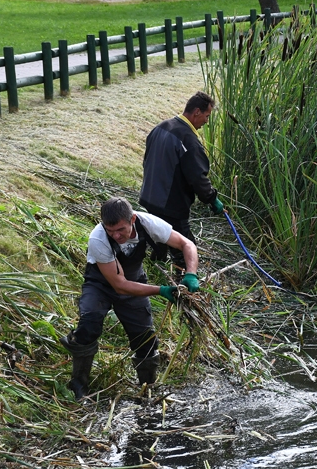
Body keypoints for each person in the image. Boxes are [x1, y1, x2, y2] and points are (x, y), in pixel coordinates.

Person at [61, 197, 200, 399]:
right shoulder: (98, 239)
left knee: (146, 340)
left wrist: (191, 274)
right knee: (89, 325)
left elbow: (187, 244)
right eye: (111, 231)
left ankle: (147, 389)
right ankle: (78, 384)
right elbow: (119, 285)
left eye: (121, 230)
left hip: (135, 281)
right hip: (101, 285)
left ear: (132, 219)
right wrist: (161, 290)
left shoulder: (149, 223)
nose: (116, 235)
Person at [139, 91, 224, 272]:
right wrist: (212, 198)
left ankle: (154, 270)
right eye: (207, 116)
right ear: (196, 113)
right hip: (170, 205)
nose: (207, 121)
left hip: (149, 197)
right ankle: (184, 289)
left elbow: (146, 160)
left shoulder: (161, 127)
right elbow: (197, 178)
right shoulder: (189, 141)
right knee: (185, 247)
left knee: (159, 238)